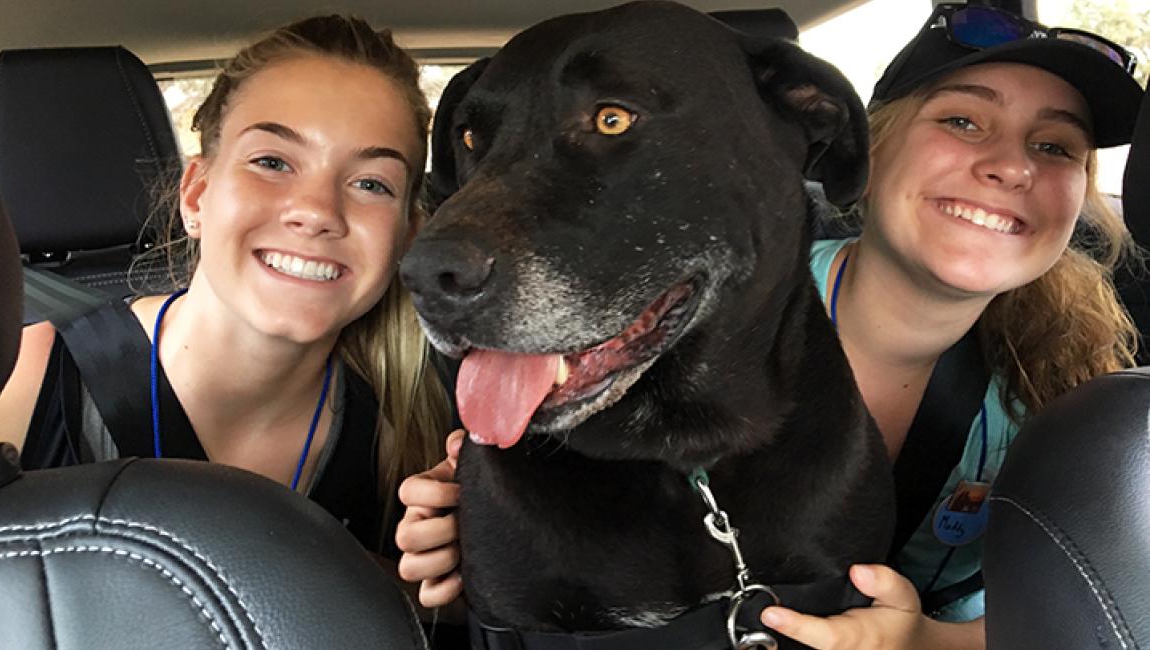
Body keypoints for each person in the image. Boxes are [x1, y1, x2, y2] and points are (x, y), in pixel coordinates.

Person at [396, 4, 1145, 648]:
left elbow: (1094, 615)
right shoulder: (707, 298)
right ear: (859, 137)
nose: (1010, 166)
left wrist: (936, 642)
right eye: (962, 120)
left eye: (1054, 146)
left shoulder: (1065, 399)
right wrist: (481, 518)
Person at [0, 14, 453, 558]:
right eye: (272, 161)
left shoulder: (410, 448)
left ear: (407, 237)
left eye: (371, 183)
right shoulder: (21, 382)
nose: (316, 211)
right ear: (196, 196)